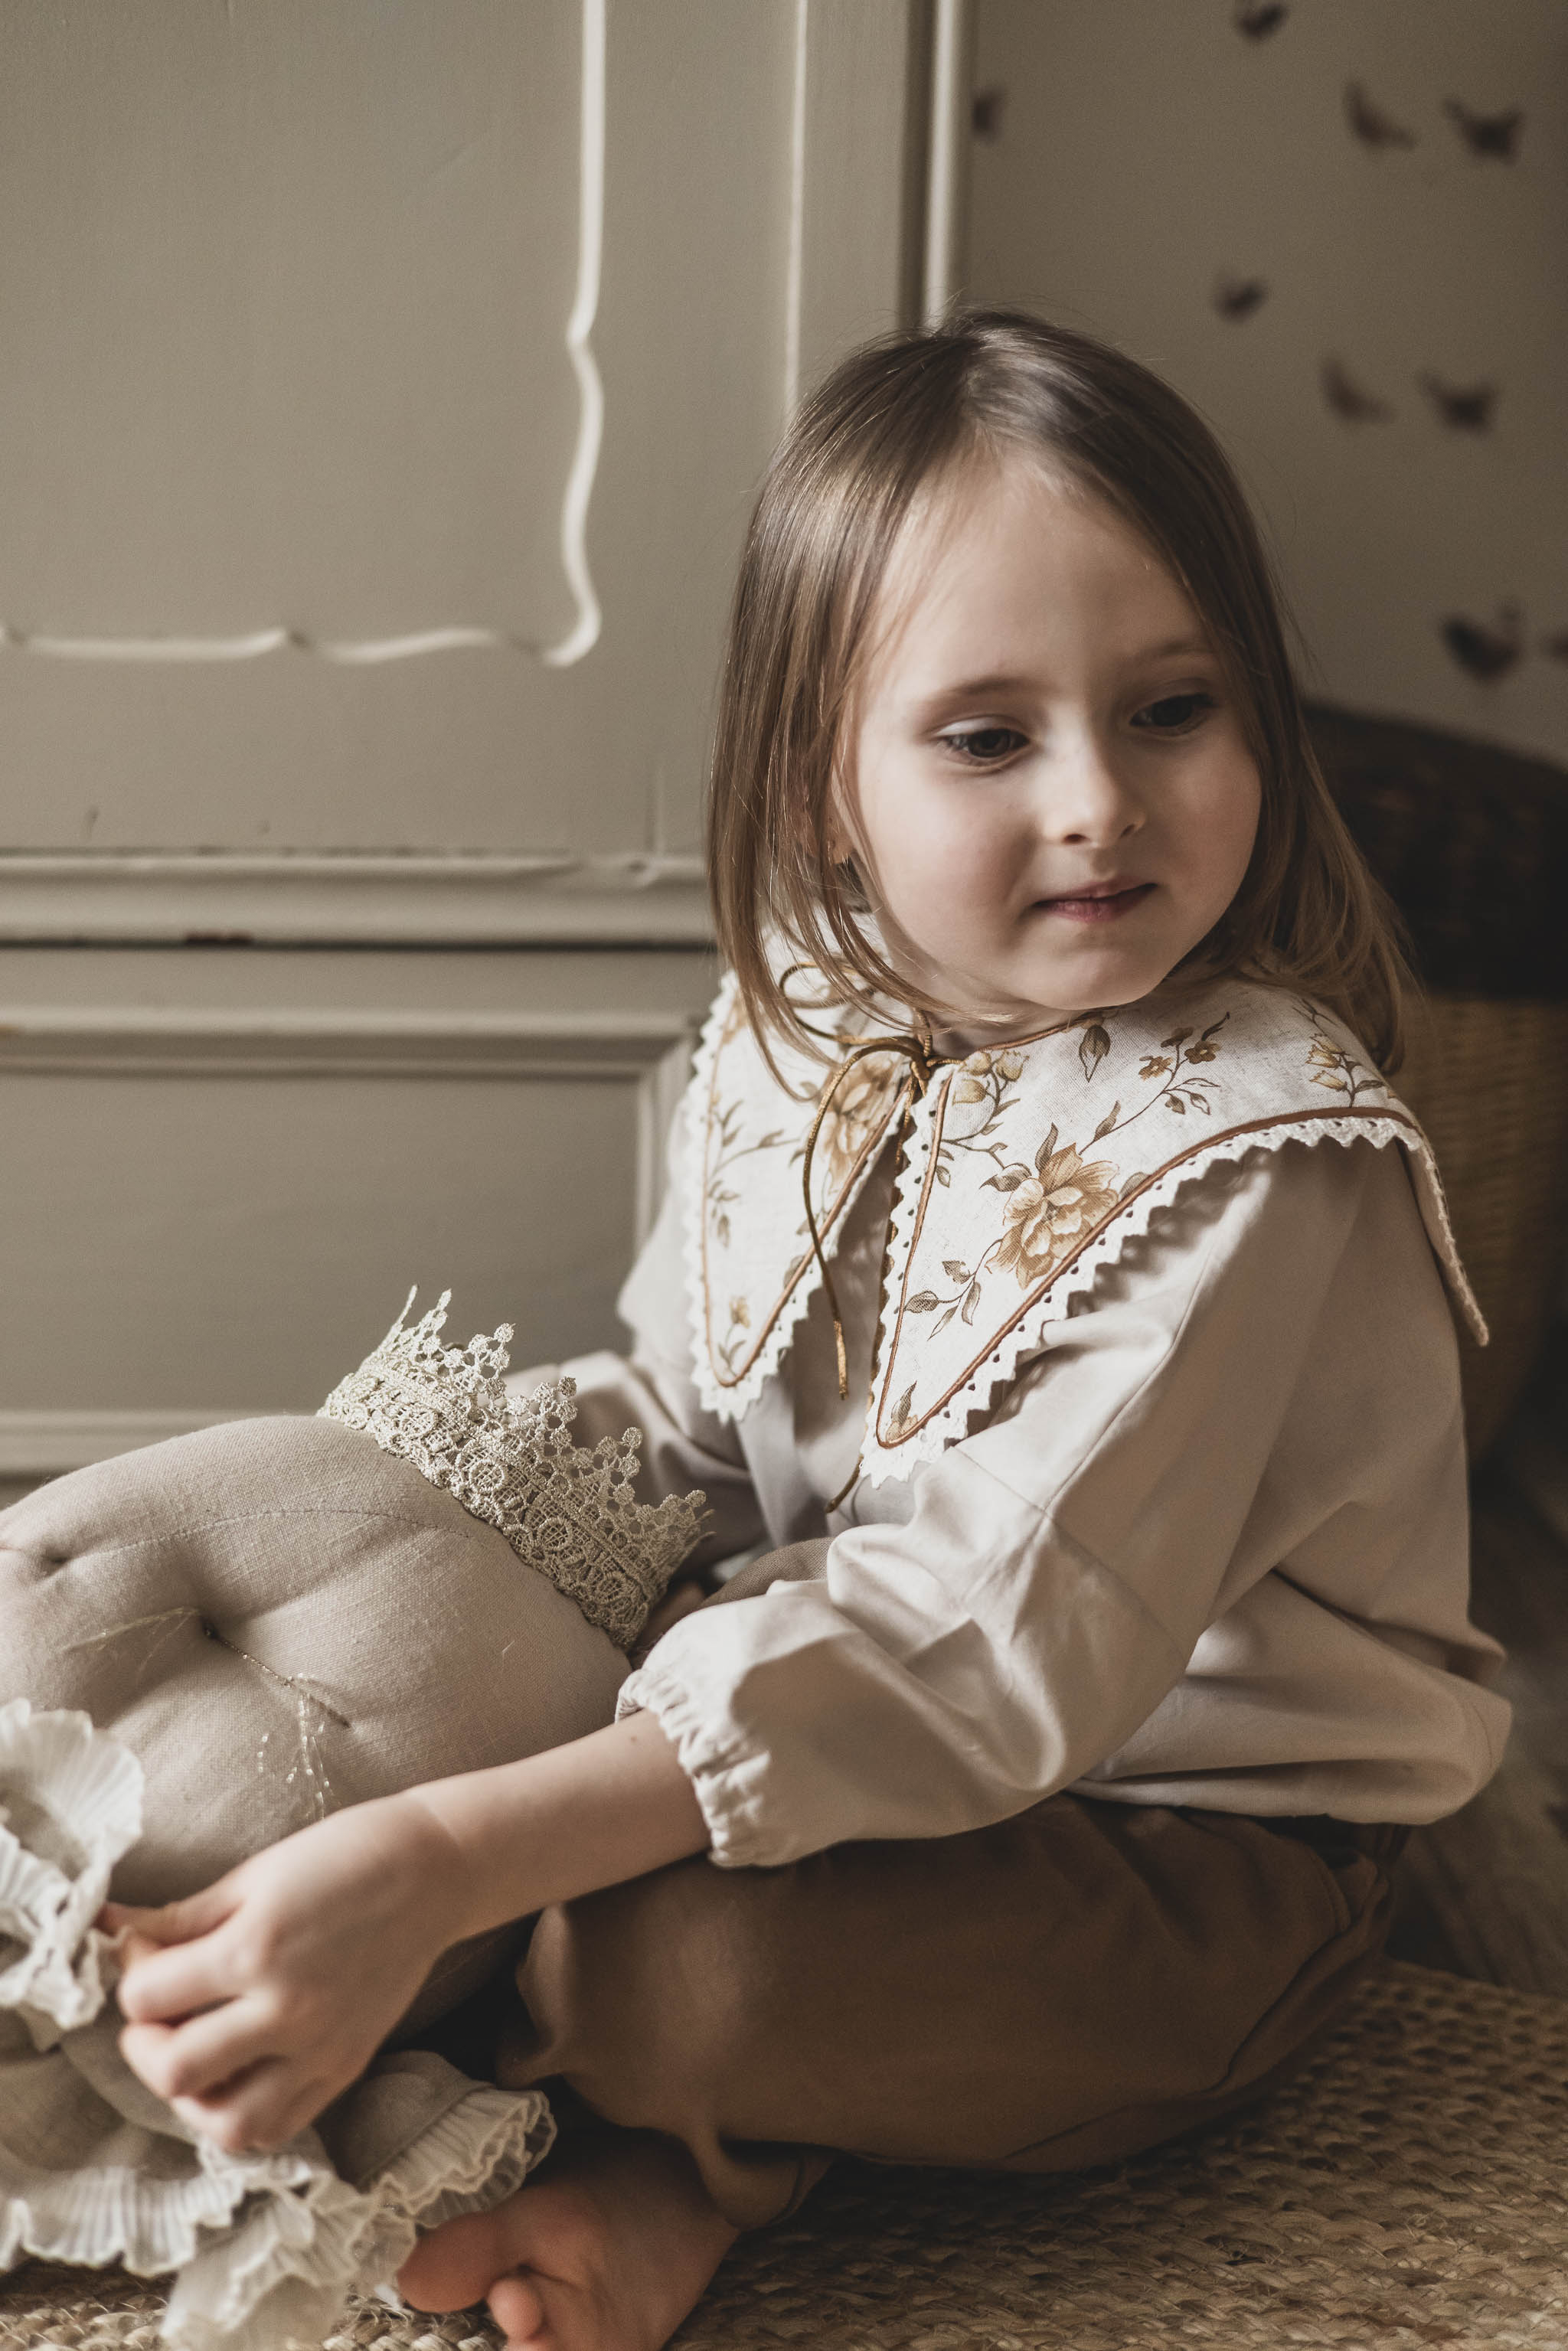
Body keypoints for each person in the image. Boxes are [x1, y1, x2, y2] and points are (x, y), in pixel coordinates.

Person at [106, 312, 1511, 2351]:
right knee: (412, 1788)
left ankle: (700, 2159)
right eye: (988, 738)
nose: (1101, 802)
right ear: (819, 784)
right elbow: (691, 1422)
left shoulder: (1256, 1148)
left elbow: (984, 1642)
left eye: (1173, 709)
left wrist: (440, 1853)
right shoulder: (806, 1019)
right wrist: (398, 1530)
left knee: (658, 1970)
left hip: (1195, 1847)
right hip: (866, 1722)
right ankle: (637, 2130)